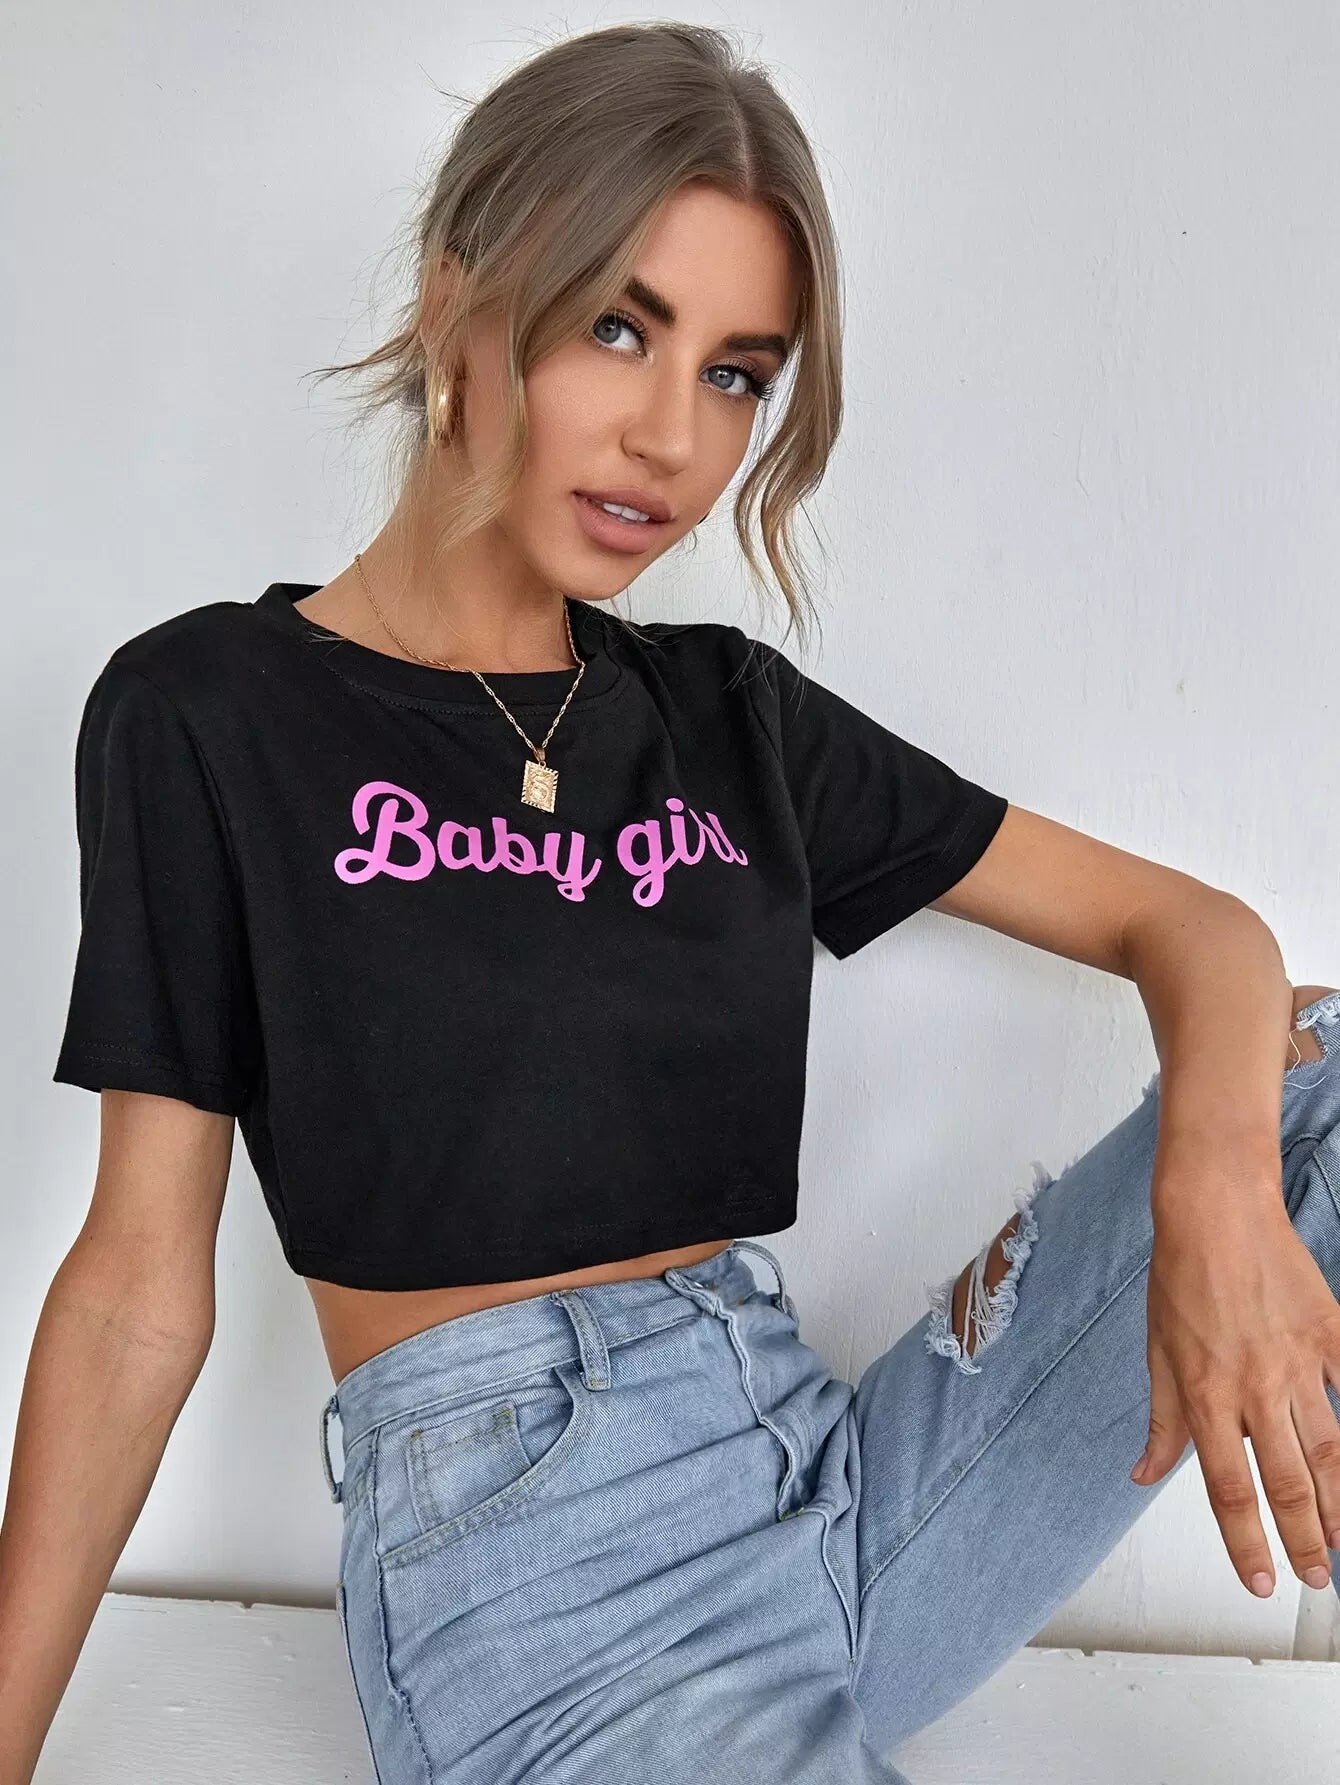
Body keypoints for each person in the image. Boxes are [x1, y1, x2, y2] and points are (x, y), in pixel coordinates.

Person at [4, 21, 1338, 1785]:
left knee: (1321, 1077)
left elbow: (1203, 935)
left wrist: (1217, 1190)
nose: (670, 438)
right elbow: (133, 1290)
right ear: (459, 296)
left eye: (736, 373)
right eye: (620, 329)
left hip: (835, 1495)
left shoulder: (726, 715)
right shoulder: (211, 711)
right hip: (536, 1575)